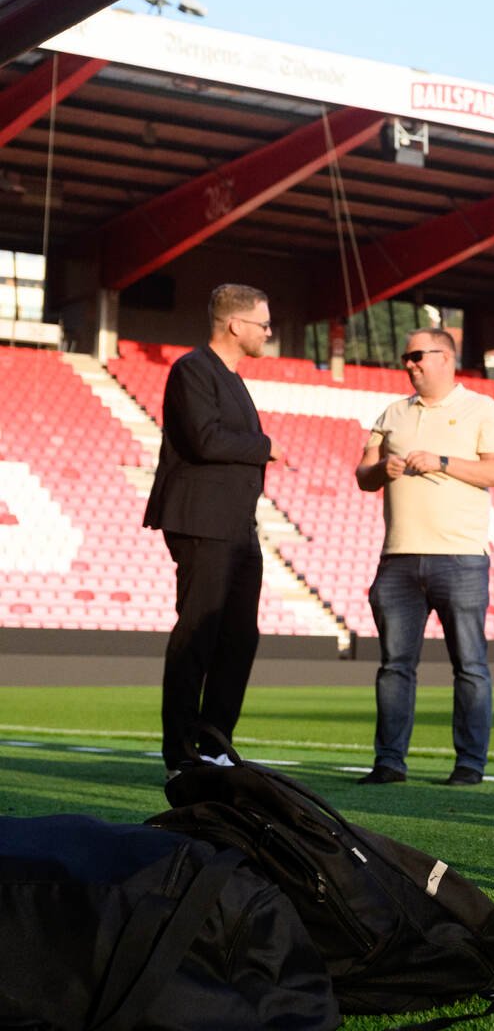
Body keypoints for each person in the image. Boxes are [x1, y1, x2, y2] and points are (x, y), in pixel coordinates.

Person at [353, 328, 494, 787]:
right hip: (398, 559)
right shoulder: (392, 412)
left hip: (461, 558)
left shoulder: (481, 408)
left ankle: (469, 765)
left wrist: (443, 462)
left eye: (419, 355)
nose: (410, 363)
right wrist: (380, 469)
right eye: (406, 356)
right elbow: (363, 473)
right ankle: (388, 763)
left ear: (446, 358)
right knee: (394, 667)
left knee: (470, 666)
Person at [144, 283, 280, 778]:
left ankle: (215, 742)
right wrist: (264, 445)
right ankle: (181, 751)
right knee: (198, 634)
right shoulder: (191, 370)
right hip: (202, 520)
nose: (269, 331)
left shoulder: (234, 379)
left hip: (239, 524)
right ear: (235, 325)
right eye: (263, 323)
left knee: (241, 635)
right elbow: (204, 439)